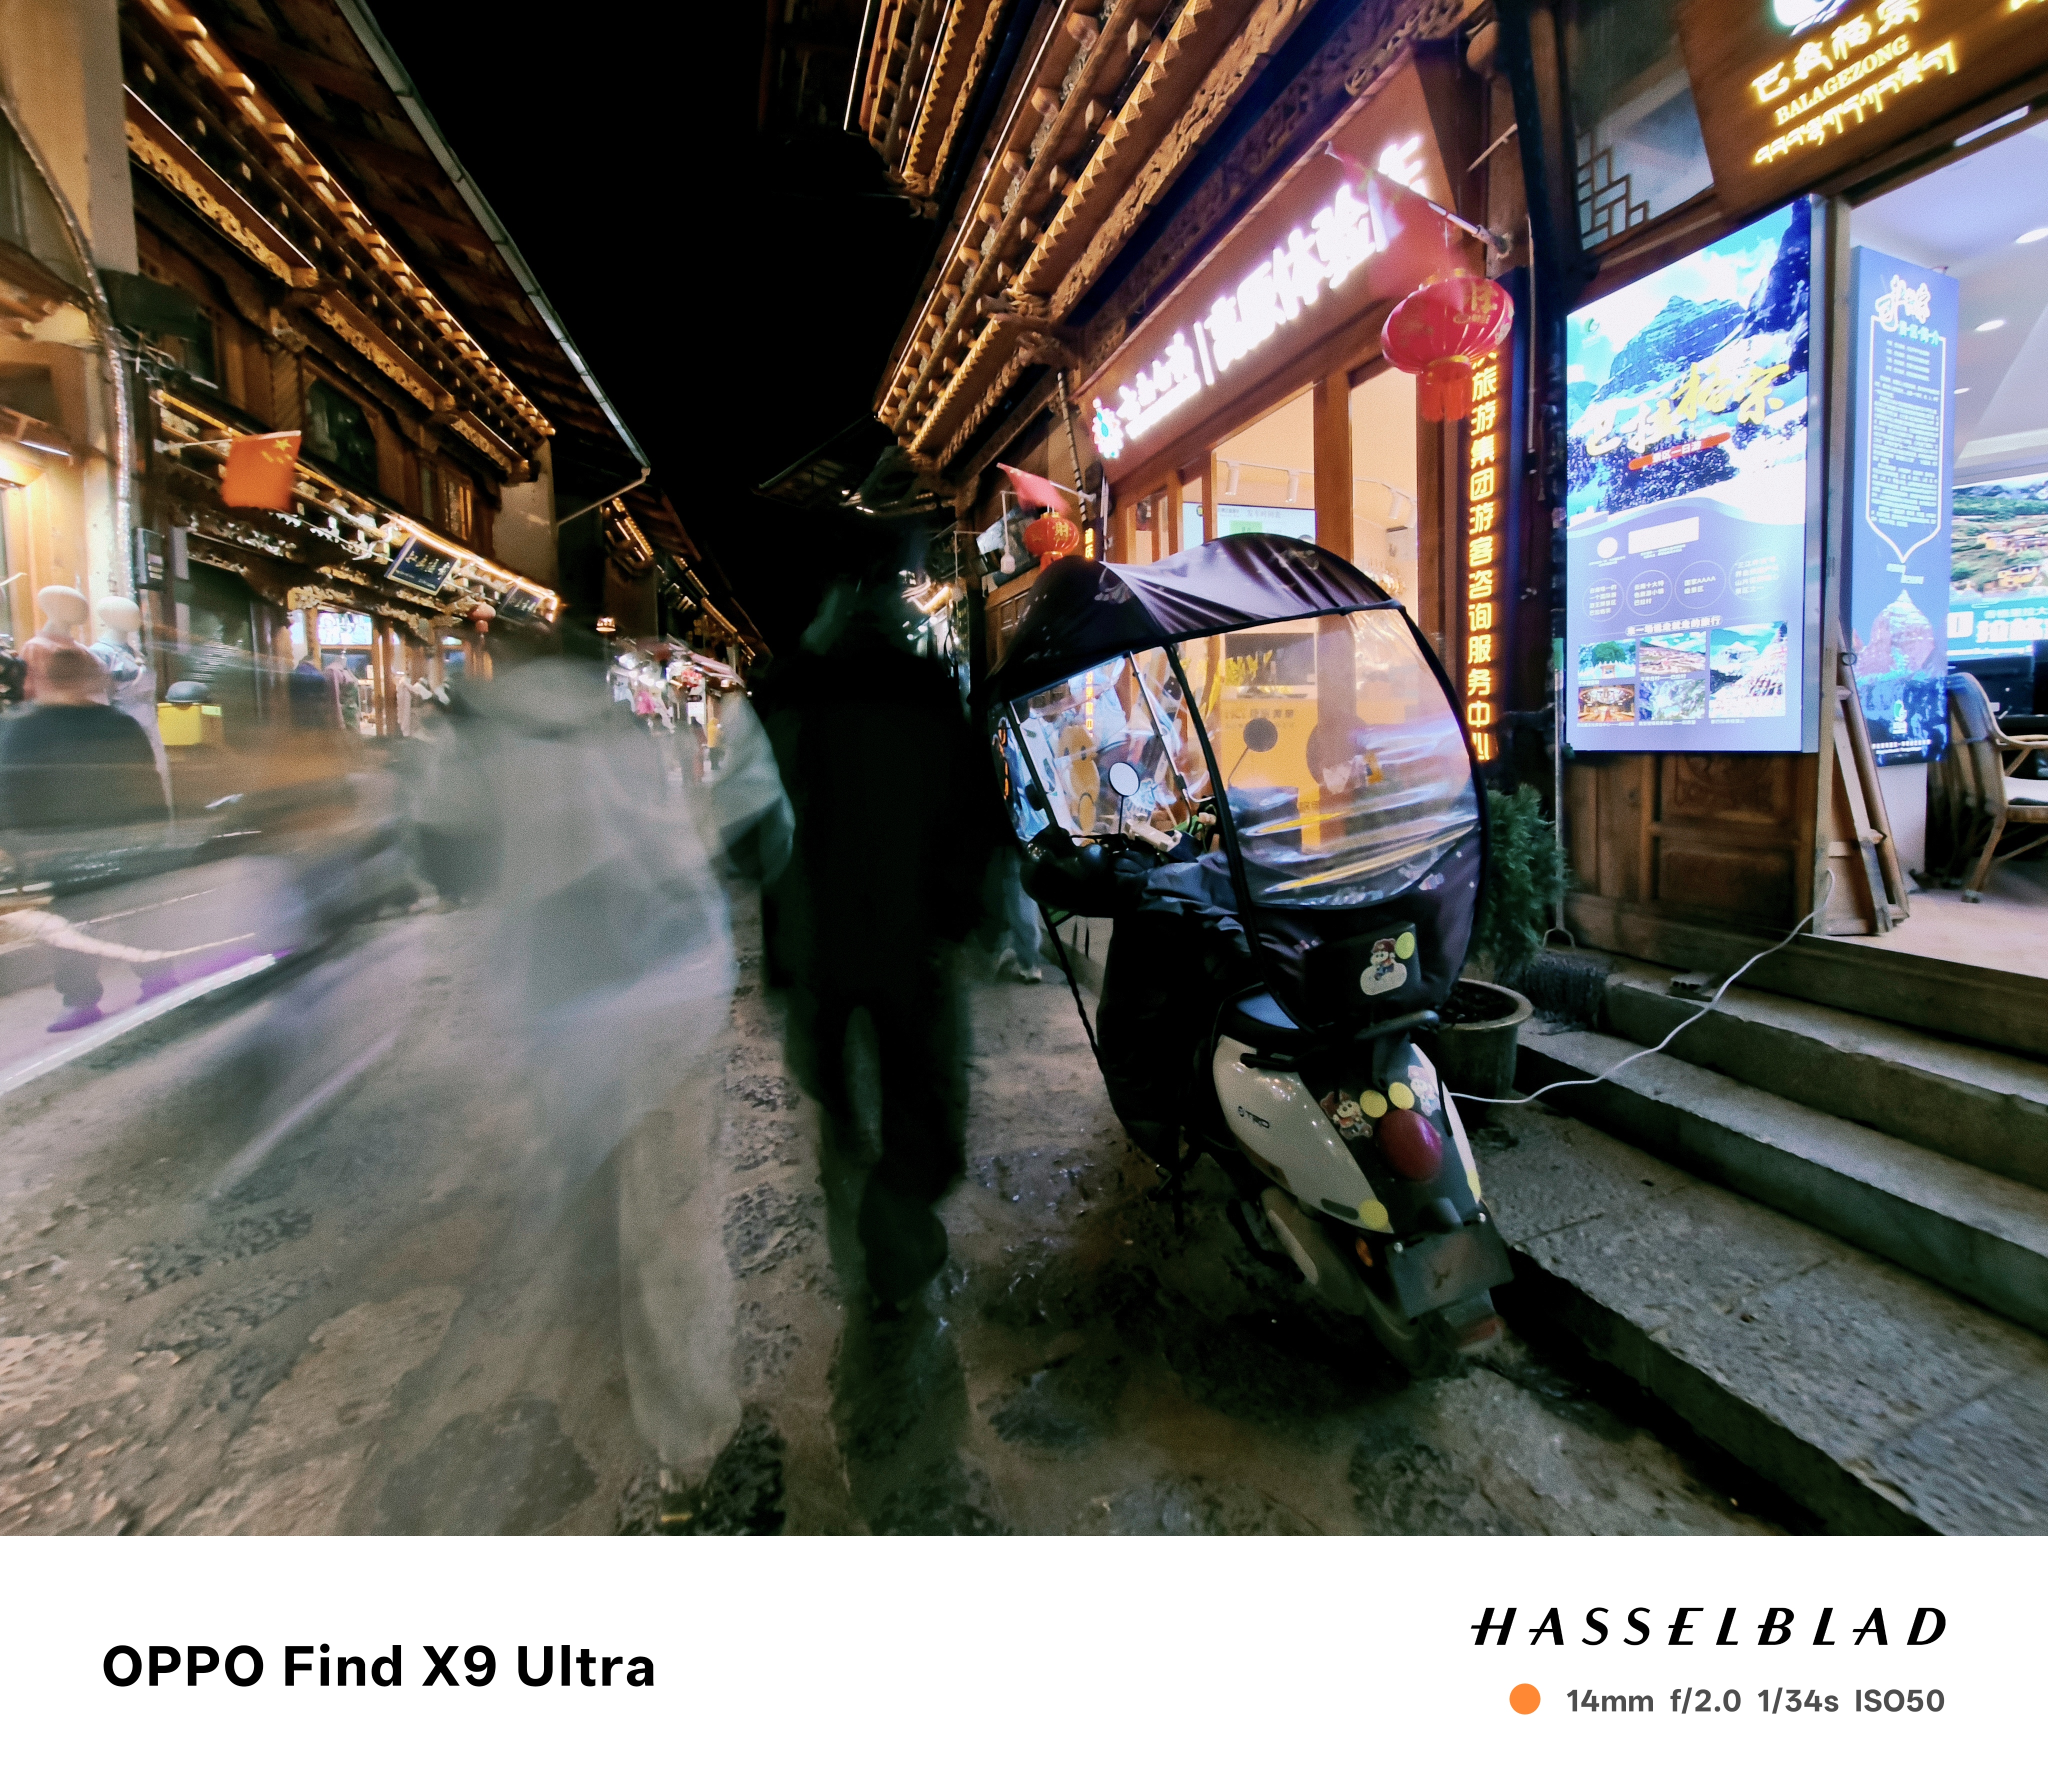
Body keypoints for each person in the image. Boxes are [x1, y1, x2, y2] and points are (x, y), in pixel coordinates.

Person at [758, 534, 996, 1306]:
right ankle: (895, 1234)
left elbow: (756, 828)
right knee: (921, 1096)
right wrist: (964, 915)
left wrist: (779, 936)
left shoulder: (791, 693)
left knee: (837, 1095)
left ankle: (861, 1198)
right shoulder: (928, 689)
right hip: (913, 938)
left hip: (818, 940)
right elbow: (975, 813)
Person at [0, 640, 170, 1030]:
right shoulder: (119, 725)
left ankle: (81, 1000)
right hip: (120, 839)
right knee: (137, 915)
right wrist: (157, 831)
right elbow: (147, 784)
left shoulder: (23, 729)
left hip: (64, 844)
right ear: (91, 679)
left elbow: (11, 792)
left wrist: (18, 845)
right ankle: (157, 980)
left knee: (74, 924)